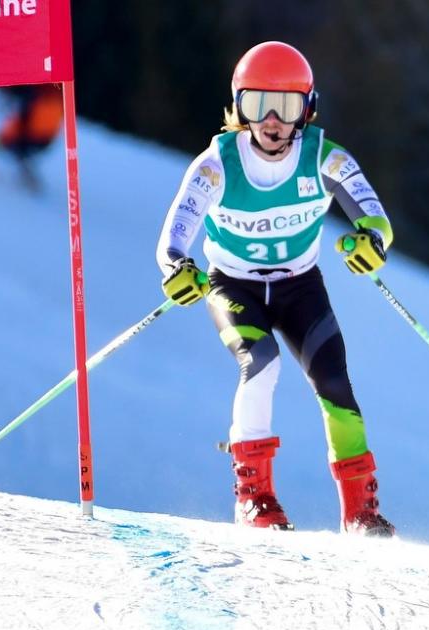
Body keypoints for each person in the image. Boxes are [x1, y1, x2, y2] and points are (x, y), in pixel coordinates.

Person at [155, 41, 395, 536]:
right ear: (238, 107)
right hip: (232, 287)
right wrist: (177, 267)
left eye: (285, 107)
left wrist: (370, 240)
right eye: (256, 104)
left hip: (299, 287)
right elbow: (173, 238)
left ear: (306, 108)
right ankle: (254, 498)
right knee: (261, 363)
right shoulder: (217, 164)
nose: (270, 120)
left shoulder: (324, 158)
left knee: (334, 381)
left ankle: (361, 512)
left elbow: (378, 220)